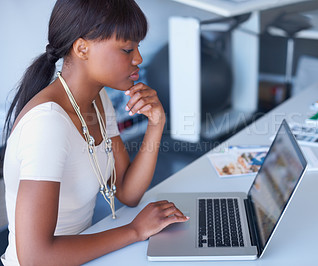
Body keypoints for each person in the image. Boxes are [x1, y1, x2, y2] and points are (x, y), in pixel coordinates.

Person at [1, 0, 189, 265]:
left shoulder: (98, 100)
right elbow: (36, 257)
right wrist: (134, 230)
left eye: (137, 47)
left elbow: (127, 191)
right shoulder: (47, 124)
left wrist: (156, 123)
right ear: (82, 48)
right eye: (127, 49)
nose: (139, 58)